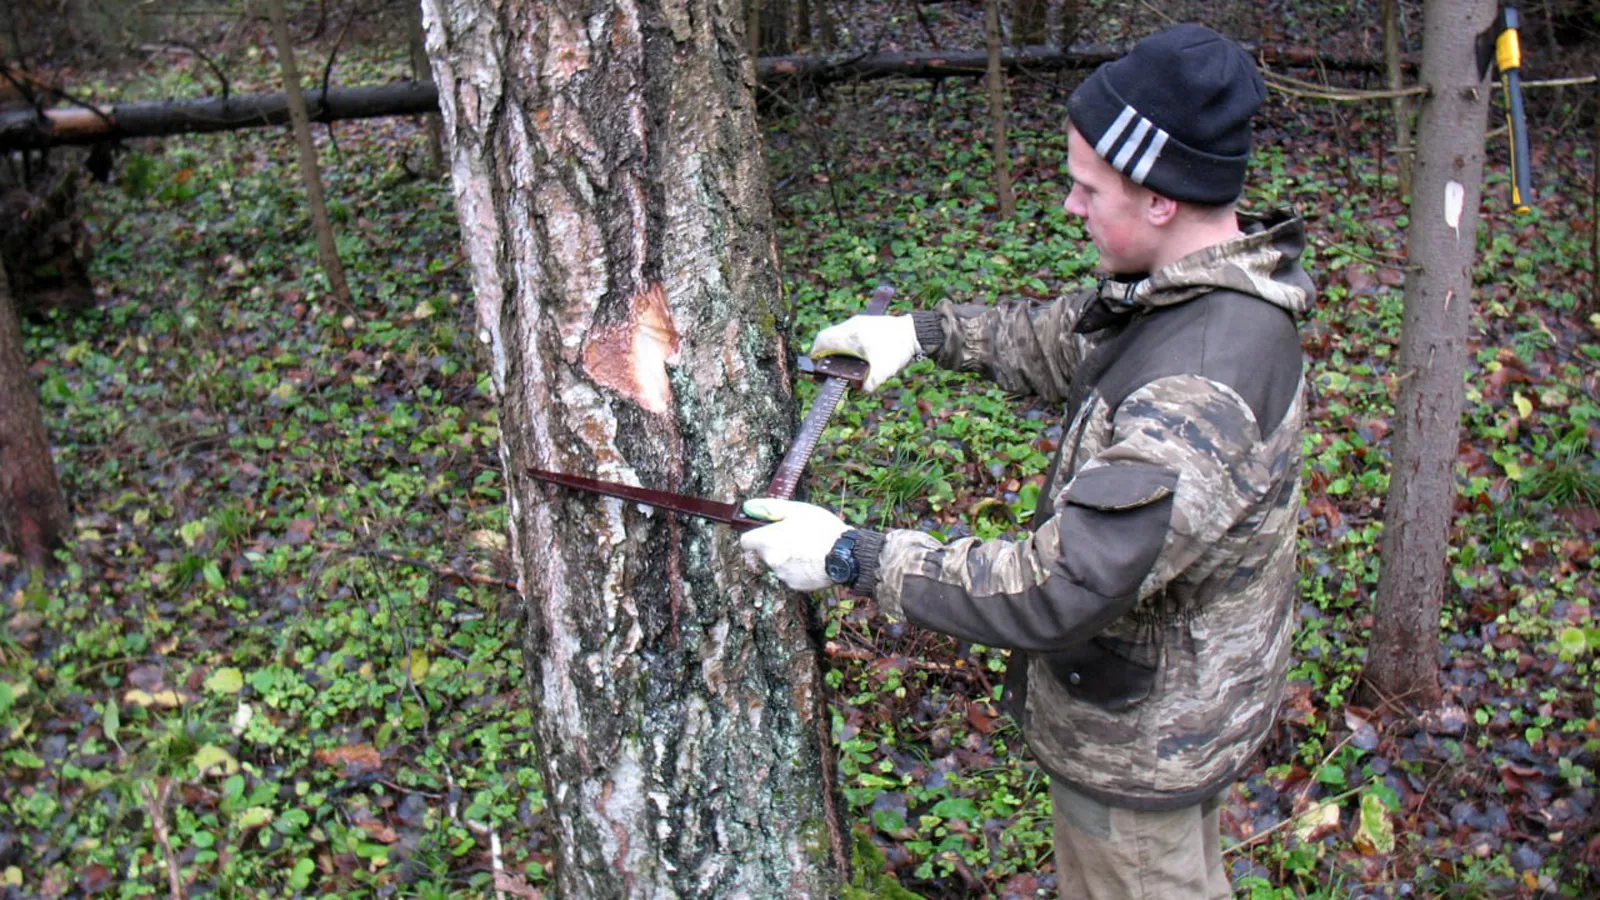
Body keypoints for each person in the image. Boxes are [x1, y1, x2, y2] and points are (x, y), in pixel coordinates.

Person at [739, 22, 1314, 900]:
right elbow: (1067, 341)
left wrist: (853, 555)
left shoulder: (1198, 386)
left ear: (1159, 198)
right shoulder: (1192, 293)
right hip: (1171, 714)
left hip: (1140, 755)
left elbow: (1064, 585)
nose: (1071, 207)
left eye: (1089, 188)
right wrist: (923, 336)